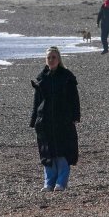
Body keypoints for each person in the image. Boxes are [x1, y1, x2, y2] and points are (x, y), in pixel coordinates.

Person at [30, 46, 81, 192]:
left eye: (54, 57)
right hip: (44, 120)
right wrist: (33, 120)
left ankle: (61, 182)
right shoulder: (41, 78)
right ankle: (48, 183)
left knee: (62, 151)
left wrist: (75, 116)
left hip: (63, 120)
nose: (51, 60)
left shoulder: (67, 77)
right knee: (47, 152)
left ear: (59, 59)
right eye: (49, 58)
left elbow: (74, 99)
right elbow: (37, 101)